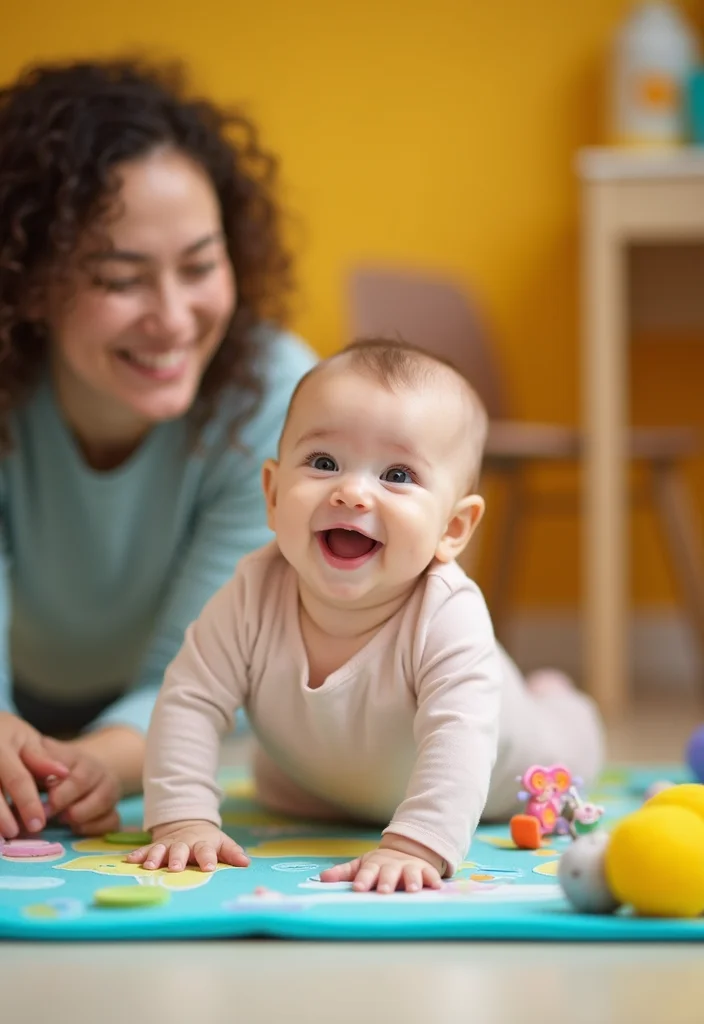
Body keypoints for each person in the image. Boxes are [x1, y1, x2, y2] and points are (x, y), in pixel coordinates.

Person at [130, 338, 604, 892]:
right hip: (322, 782)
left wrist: (416, 843)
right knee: (274, 780)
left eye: (397, 475)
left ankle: (558, 698)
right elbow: (189, 699)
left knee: (567, 745)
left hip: (506, 768)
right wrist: (183, 817)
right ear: (273, 493)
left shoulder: (446, 614)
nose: (352, 492)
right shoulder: (249, 594)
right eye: (324, 462)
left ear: (452, 529)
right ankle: (328, 785)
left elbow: (461, 737)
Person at [0, 59, 316, 843]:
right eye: (120, 278)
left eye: (202, 266)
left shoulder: (280, 402)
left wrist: (88, 767)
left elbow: (199, 679)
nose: (174, 318)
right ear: (31, 282)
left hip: (153, 713)